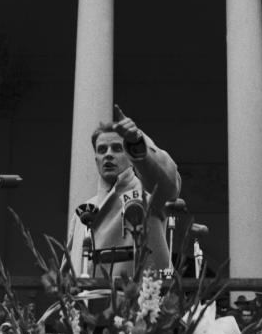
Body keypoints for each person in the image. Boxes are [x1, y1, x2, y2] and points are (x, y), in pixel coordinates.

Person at [68, 104, 180, 278]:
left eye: (117, 148)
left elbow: (170, 185)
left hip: (138, 301)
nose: (108, 155)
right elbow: (69, 269)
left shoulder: (147, 195)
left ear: (129, 155)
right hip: (86, 302)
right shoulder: (83, 210)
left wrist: (136, 142)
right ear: (96, 159)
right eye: (102, 150)